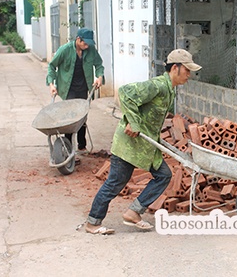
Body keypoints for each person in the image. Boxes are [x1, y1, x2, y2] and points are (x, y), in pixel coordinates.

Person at [85, 49, 202, 234]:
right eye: (187, 70)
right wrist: (132, 121)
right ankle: (93, 222)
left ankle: (133, 212)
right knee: (115, 183)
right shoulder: (158, 86)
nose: (189, 74)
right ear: (176, 68)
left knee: (163, 175)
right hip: (128, 145)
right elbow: (125, 93)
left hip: (143, 146)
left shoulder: (169, 90)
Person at [46, 28, 104, 154]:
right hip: (68, 89)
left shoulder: (90, 50)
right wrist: (51, 84)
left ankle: (81, 146)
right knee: (70, 118)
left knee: (82, 117)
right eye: (85, 43)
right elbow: (51, 66)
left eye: (89, 43)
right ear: (78, 39)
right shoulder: (65, 50)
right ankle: (68, 148)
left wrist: (99, 78)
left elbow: (99, 64)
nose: (87, 45)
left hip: (84, 88)